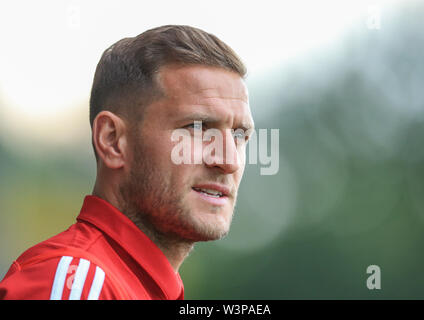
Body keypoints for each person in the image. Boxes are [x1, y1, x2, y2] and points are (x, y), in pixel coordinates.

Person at [0, 25, 254, 300]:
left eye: (240, 134)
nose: (228, 160)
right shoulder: (77, 285)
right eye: (197, 127)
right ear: (112, 140)